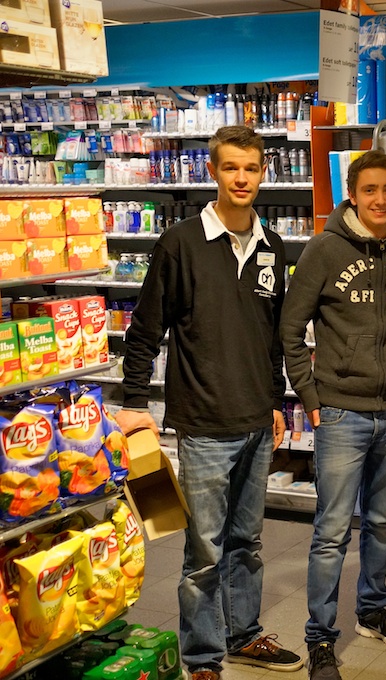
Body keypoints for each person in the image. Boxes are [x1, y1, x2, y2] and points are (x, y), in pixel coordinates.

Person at [114, 125, 301, 680]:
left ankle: (244, 636)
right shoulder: (180, 243)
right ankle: (202, 657)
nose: (242, 178)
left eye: (251, 168)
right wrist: (134, 402)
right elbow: (145, 330)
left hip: (257, 420)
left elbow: (271, 335)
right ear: (213, 171)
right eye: (231, 168)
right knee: (204, 552)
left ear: (263, 172)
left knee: (248, 542)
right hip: (202, 424)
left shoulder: (272, 246)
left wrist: (275, 400)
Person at [280, 150, 386, 680]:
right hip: (341, 413)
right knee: (332, 531)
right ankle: (320, 638)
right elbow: (290, 330)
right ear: (353, 193)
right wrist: (311, 397)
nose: (380, 200)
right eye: (370, 190)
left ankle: (372, 610)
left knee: (382, 523)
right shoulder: (324, 249)